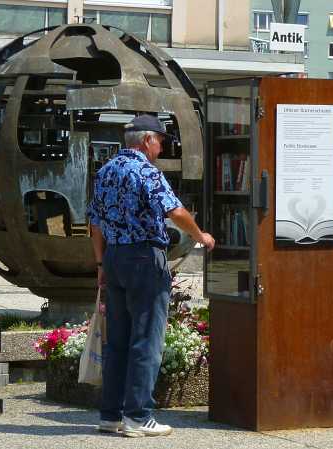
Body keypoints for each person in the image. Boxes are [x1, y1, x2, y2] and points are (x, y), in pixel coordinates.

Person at [87, 114, 215, 437]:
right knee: (147, 339)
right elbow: (176, 211)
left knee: (117, 340)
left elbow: (95, 223)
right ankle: (138, 416)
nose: (160, 148)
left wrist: (101, 265)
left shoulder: (105, 171)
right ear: (146, 141)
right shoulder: (146, 171)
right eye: (159, 141)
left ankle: (110, 414)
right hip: (145, 258)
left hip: (114, 258)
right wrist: (201, 237)